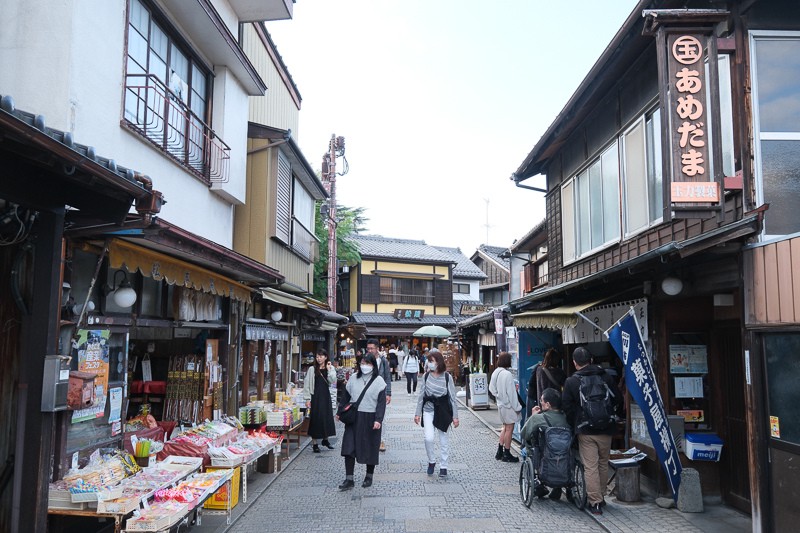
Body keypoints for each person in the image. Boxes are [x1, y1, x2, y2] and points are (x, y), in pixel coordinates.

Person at [562, 346, 622, 515]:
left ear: (575, 363)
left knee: (590, 466)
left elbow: (567, 406)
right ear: (591, 360)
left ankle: (595, 502)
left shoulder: (572, 381)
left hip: (586, 429)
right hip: (607, 427)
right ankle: (601, 497)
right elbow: (617, 398)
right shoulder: (606, 376)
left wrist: (576, 422)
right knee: (603, 463)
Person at [336, 353, 387, 490]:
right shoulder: (353, 378)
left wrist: (378, 419)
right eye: (363, 363)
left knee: (370, 447)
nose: (365, 366)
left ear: (373, 365)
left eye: (368, 363)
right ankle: (349, 479)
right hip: (354, 417)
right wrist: (339, 412)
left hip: (370, 418)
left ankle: (369, 476)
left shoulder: (379, 381)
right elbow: (345, 397)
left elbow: (381, 403)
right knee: (349, 447)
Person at [414, 349, 459, 477]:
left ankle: (443, 466)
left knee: (443, 439)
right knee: (428, 437)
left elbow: (452, 398)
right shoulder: (426, 376)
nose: (429, 364)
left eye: (431, 361)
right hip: (428, 410)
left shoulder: (447, 377)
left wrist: (455, 417)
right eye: (429, 361)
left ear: (438, 362)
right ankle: (431, 461)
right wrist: (417, 413)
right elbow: (421, 395)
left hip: (443, 410)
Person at [520, 387, 571, 500]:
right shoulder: (566, 417)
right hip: (563, 454)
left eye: (542, 401)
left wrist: (532, 416)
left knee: (524, 451)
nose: (540, 403)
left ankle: (538, 485)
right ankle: (558, 488)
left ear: (547, 405)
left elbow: (524, 434)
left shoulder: (538, 418)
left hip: (543, 455)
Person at [488, 352, 522, 462]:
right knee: (509, 429)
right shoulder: (507, 374)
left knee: (505, 427)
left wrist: (498, 395)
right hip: (508, 406)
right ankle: (507, 452)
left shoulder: (495, 372)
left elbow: (491, 389)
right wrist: (517, 407)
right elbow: (512, 393)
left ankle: (500, 450)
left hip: (500, 404)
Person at [303, 348, 337, 453]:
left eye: (321, 356)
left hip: (325, 396)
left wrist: (329, 369)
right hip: (315, 396)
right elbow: (307, 384)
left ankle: (325, 440)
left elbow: (332, 381)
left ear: (326, 357)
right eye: (317, 356)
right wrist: (307, 398)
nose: (319, 358)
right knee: (315, 419)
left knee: (326, 418)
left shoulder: (330, 368)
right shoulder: (312, 369)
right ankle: (314, 443)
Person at [366, 339, 392, 452]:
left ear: (377, 348)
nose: (370, 350)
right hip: (367, 392)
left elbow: (387, 377)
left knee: (381, 416)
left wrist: (388, 393)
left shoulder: (383, 361)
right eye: (368, 348)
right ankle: (368, 439)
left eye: (372, 348)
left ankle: (381, 440)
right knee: (367, 415)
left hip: (380, 391)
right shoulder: (365, 360)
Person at [527, 348, 567, 416]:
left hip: (542, 403)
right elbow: (565, 386)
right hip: (555, 405)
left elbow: (531, 383)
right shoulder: (560, 372)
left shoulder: (539, 369)